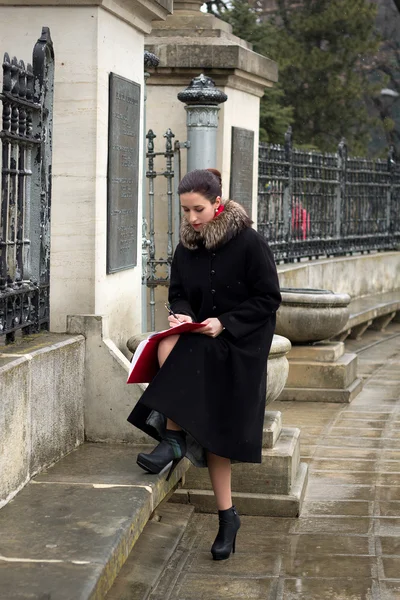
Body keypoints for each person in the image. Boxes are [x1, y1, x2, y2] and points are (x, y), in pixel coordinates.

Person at [128, 169, 281, 561]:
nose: (192, 218)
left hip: (239, 345)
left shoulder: (249, 243)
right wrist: (181, 315)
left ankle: (175, 443)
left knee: (210, 416)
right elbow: (178, 295)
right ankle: (224, 511)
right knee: (172, 342)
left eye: (198, 209)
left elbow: (268, 299)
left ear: (218, 202)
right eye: (185, 211)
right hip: (200, 342)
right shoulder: (186, 247)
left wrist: (224, 322)